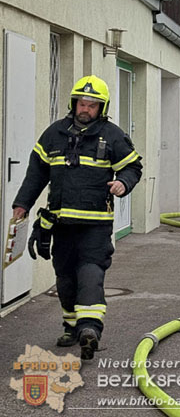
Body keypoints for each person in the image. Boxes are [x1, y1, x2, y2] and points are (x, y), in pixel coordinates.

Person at [12, 75, 142, 361]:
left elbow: (133, 166)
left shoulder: (113, 135)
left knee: (91, 273)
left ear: (101, 108)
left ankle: (90, 330)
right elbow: (36, 174)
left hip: (95, 225)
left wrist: (123, 183)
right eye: (82, 103)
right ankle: (71, 327)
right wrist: (22, 205)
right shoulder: (54, 134)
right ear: (74, 103)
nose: (86, 109)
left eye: (92, 105)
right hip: (61, 224)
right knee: (65, 278)